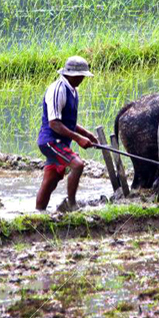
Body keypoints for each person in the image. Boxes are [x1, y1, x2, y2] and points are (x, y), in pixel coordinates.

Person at [35, 56, 99, 212]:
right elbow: (54, 123)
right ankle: (71, 205)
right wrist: (78, 139)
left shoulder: (73, 90)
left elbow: (68, 122)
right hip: (51, 141)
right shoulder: (58, 90)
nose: (82, 79)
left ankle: (39, 212)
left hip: (60, 142)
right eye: (81, 76)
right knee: (77, 165)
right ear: (71, 74)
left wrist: (87, 134)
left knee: (51, 180)